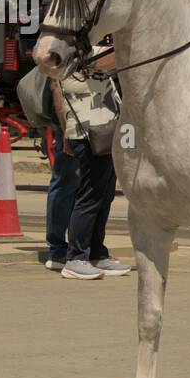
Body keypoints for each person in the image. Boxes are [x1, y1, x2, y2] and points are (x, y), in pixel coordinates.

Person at [54, 47, 130, 280]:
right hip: (89, 134)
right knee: (90, 197)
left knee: (104, 196)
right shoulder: (77, 54)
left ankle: (97, 252)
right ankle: (76, 257)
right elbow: (117, 57)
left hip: (105, 133)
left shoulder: (87, 51)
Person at [42, 119, 80, 272]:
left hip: (84, 121)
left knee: (78, 184)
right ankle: (58, 249)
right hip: (71, 122)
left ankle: (78, 247)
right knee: (66, 181)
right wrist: (66, 130)